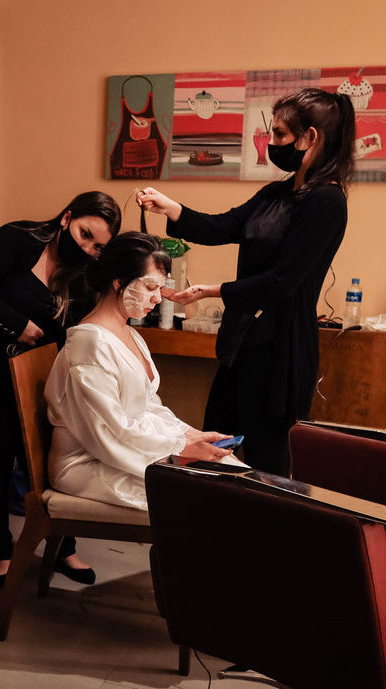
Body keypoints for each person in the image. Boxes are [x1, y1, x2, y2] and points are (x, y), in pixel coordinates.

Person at [138, 88, 356, 475]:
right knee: (219, 445)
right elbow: (224, 225)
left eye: (280, 135)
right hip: (244, 340)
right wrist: (172, 208)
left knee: (264, 463)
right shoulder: (276, 193)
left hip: (282, 350)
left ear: (311, 137)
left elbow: (282, 282)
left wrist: (210, 291)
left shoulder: (327, 201)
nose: (271, 143)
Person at [0, 192, 122, 587]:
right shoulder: (19, 239)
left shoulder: (83, 276)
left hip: (27, 376)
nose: (87, 248)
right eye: (84, 234)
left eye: (98, 246)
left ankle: (62, 548)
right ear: (66, 217)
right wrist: (14, 322)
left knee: (47, 460)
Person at [45, 232, 235, 511]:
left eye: (160, 288)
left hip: (126, 446)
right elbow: (110, 431)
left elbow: (147, 407)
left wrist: (189, 434)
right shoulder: (90, 345)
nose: (158, 298)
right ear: (119, 282)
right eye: (150, 287)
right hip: (89, 462)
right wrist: (178, 447)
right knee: (211, 498)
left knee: (229, 471)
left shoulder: (130, 333)